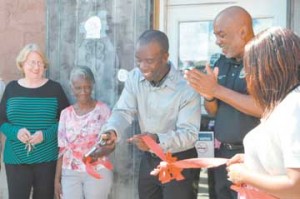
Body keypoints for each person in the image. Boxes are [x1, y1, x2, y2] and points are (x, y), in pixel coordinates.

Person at [97, 30, 201, 199]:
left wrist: (157, 140)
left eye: (149, 61)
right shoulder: (134, 77)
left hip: (179, 160)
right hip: (149, 160)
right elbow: (123, 111)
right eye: (138, 60)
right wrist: (112, 130)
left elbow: (189, 134)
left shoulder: (187, 87)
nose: (142, 67)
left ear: (165, 57)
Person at [184, 6, 263, 199]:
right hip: (222, 154)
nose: (217, 41)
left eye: (222, 35)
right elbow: (213, 112)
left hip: (252, 158)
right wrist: (208, 95)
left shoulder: (262, 60)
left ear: (242, 31)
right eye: (215, 36)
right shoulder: (221, 61)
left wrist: (217, 90)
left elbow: (263, 108)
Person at [227, 27, 300, 199]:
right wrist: (254, 159)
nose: (248, 78)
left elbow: (296, 186)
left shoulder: (295, 105)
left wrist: (244, 175)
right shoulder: (286, 102)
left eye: (249, 68)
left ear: (267, 67)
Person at [0, 43, 70, 199]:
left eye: (40, 63)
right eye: (32, 62)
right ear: (22, 64)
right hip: (16, 159)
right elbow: (2, 120)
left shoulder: (55, 89)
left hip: (47, 159)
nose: (36, 67)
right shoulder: (11, 89)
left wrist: (44, 135)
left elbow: (67, 121)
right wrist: (15, 132)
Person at [54, 66, 113, 199]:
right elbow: (62, 149)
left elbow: (111, 144)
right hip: (70, 172)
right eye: (78, 87)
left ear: (92, 85)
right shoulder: (65, 114)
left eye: (87, 86)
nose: (83, 91)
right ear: (72, 88)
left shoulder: (104, 111)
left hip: (98, 170)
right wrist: (57, 179)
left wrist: (100, 153)